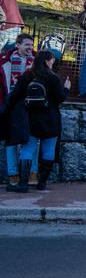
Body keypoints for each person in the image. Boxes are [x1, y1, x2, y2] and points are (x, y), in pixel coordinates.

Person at [2, 50, 69, 192]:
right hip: (51, 120)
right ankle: (42, 183)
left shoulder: (27, 76)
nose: (53, 62)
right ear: (46, 61)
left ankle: (23, 184)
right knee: (48, 151)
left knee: (27, 149)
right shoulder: (54, 78)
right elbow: (60, 98)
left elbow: (14, 96)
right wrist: (66, 89)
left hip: (31, 120)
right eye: (52, 60)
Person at [0, 33, 36, 187]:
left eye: (32, 45)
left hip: (30, 106)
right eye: (27, 45)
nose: (30, 48)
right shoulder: (4, 62)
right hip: (10, 106)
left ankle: (32, 173)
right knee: (11, 142)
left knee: (32, 140)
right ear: (18, 45)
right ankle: (13, 174)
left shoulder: (36, 63)